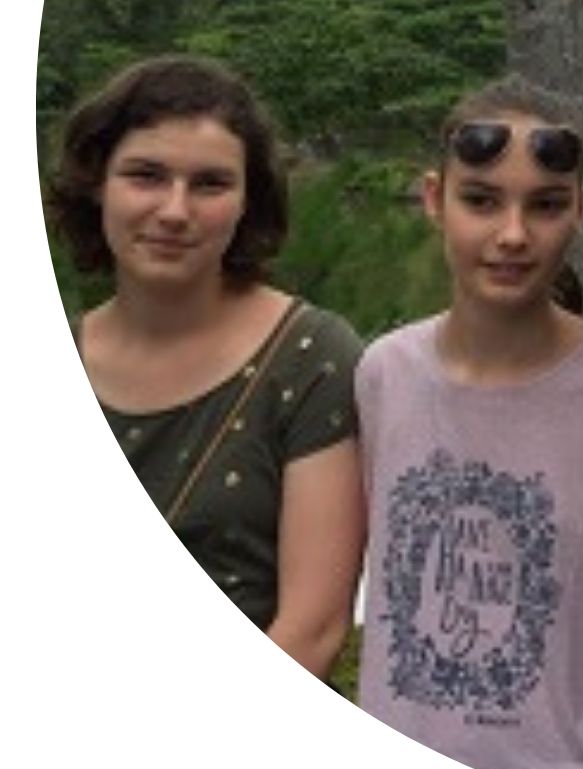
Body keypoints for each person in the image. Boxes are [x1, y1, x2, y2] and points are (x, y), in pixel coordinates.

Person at [356, 77, 583, 769]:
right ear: (434, 199)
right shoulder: (383, 373)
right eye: (482, 200)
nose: (513, 235)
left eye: (546, 205)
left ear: (582, 212)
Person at [47, 54, 364, 680]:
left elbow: (313, 630)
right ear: (96, 184)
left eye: (210, 185)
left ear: (250, 201)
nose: (174, 210)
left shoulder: (309, 359)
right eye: (145, 176)